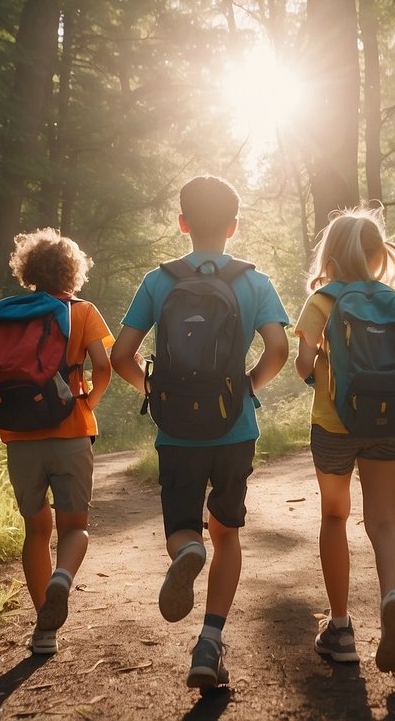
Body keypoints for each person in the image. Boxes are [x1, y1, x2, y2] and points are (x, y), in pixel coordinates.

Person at [110, 175, 290, 690]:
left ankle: (186, 549)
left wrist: (152, 391)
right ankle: (210, 640)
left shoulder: (159, 280)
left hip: (177, 433)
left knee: (185, 528)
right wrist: (246, 388)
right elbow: (277, 350)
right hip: (235, 430)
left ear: (183, 223)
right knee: (228, 532)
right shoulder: (253, 282)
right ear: (233, 226)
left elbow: (121, 355)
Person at [293, 208, 395, 672]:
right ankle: (392, 595)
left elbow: (301, 368)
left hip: (335, 425)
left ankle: (340, 628)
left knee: (335, 517)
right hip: (389, 424)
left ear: (331, 256)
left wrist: (323, 355)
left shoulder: (322, 300)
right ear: (378, 256)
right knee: (384, 523)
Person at [0, 228, 114, 656]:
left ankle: (43, 630)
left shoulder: (9, 313)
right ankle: (63, 577)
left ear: (28, 270)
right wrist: (88, 402)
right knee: (75, 527)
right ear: (73, 269)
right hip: (70, 432)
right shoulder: (81, 311)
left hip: (19, 436)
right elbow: (103, 367)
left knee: (35, 531)